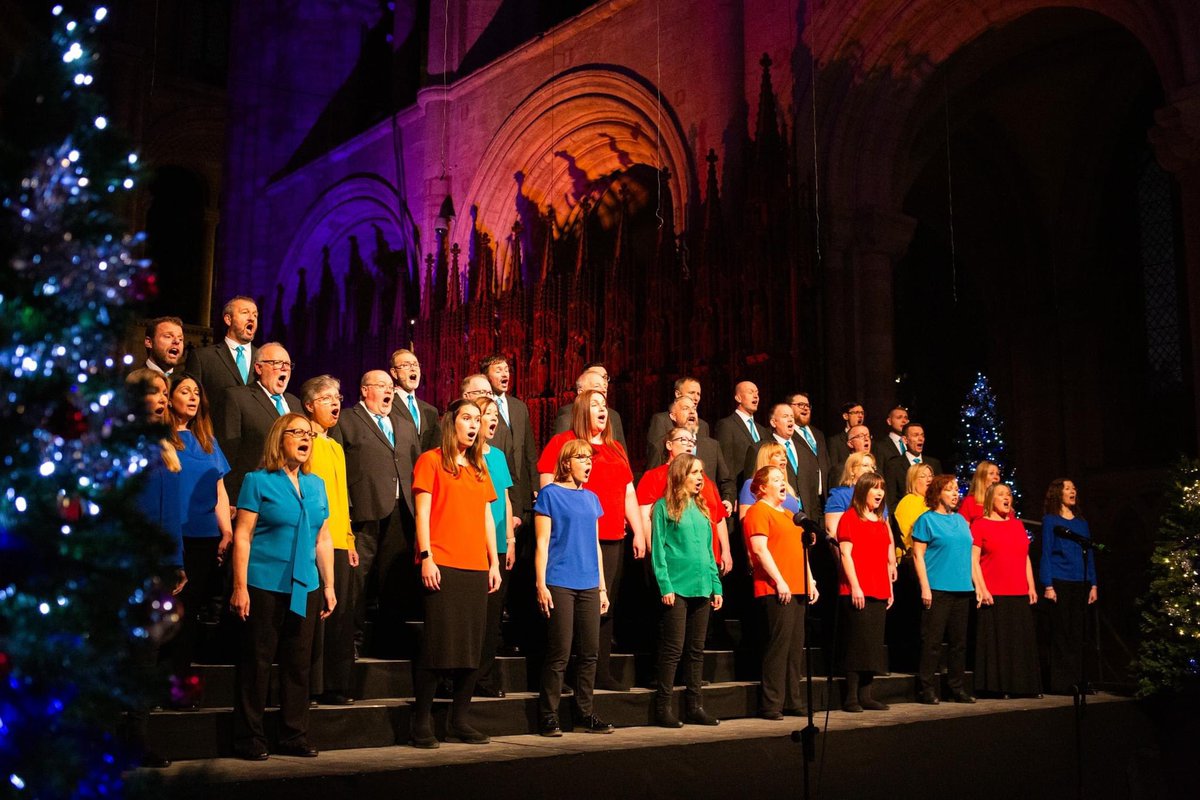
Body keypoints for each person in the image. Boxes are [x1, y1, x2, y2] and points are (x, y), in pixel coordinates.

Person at [230, 413, 336, 760]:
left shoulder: (316, 483)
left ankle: (293, 735)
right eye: (298, 433)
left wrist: (330, 584)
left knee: (298, 664)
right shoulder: (257, 481)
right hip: (264, 583)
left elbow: (323, 537)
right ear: (280, 438)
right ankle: (249, 738)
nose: (306, 439)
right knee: (257, 664)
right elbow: (243, 536)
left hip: (305, 585)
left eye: (310, 434)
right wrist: (239, 586)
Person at [410, 400, 502, 748]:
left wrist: (493, 563)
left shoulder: (479, 467)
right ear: (452, 423)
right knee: (439, 646)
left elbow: (485, 519)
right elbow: (422, 513)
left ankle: (459, 720)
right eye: (467, 418)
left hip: (475, 566)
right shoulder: (431, 460)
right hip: (442, 563)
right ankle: (421, 723)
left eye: (478, 419)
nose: (474, 424)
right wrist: (426, 556)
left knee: (471, 650)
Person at [537, 389, 643, 690]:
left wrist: (637, 529)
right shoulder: (564, 442)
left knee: (603, 603)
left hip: (610, 535)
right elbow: (548, 483)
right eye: (595, 405)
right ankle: (566, 673)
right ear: (582, 410)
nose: (603, 409)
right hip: (573, 538)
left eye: (605, 405)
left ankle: (600, 670)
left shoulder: (615, 448)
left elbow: (629, 492)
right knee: (569, 608)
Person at [533, 438, 614, 736]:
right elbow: (542, 543)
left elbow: (595, 544)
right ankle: (549, 715)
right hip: (560, 581)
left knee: (590, 651)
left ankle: (584, 713)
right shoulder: (550, 494)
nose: (588, 463)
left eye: (590, 458)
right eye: (582, 457)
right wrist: (541, 583)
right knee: (560, 652)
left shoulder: (592, 498)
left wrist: (603, 588)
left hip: (589, 582)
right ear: (567, 462)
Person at [125, 368, 185, 768]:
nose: (163, 398)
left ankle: (136, 739)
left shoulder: (167, 445)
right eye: (154, 392)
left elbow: (171, 515)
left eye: (166, 392)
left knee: (146, 656)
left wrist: (177, 561)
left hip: (160, 567)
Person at [337, 370, 420, 654]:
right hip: (363, 510)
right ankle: (352, 641)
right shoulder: (347, 420)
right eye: (381, 386)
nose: (388, 391)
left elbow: (415, 465)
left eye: (390, 387)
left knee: (393, 580)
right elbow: (338, 469)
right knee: (357, 580)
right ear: (364, 390)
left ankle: (389, 642)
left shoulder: (404, 424)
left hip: (400, 511)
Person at [164, 372, 232, 700]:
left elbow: (219, 489)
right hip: (170, 534)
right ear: (169, 397)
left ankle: (179, 685)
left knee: (189, 615)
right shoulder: (160, 441)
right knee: (165, 613)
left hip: (203, 536)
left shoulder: (208, 442)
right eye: (185, 391)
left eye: (196, 392)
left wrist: (227, 530)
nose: (192, 397)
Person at [650, 455, 724, 727]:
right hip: (677, 587)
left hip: (702, 586)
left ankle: (694, 706)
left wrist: (716, 585)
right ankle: (663, 708)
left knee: (696, 650)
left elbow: (708, 551)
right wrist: (665, 585)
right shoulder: (663, 507)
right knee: (673, 649)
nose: (700, 478)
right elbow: (658, 550)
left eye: (702, 473)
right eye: (694, 473)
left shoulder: (702, 509)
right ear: (681, 475)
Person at [743, 466, 819, 720]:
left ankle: (792, 700)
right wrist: (780, 581)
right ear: (763, 487)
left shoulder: (790, 515)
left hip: (798, 586)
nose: (782, 482)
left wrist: (811, 580)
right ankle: (772, 704)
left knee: (795, 648)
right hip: (776, 589)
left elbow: (801, 552)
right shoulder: (758, 511)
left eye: (782, 478)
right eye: (776, 479)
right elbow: (760, 550)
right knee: (779, 647)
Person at [301, 375, 357, 705]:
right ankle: (309, 686)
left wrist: (348, 539)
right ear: (309, 405)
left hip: (336, 539)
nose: (335, 403)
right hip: (312, 539)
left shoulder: (335, 446)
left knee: (338, 615)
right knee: (314, 616)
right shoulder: (305, 440)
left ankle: (335, 684)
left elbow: (341, 496)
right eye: (326, 398)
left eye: (337, 397)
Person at [971, 483, 1041, 698]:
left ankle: (1025, 686)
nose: (1006, 497)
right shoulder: (980, 525)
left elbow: (1025, 557)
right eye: (1001, 494)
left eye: (1009, 494)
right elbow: (973, 560)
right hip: (995, 591)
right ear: (991, 499)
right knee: (999, 643)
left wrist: (1031, 585)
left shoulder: (1017, 525)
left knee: (1020, 641)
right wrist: (981, 589)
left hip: (1019, 589)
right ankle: (1000, 687)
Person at [911, 474, 975, 704]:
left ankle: (956, 687)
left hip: (961, 588)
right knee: (933, 642)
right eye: (949, 489)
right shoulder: (926, 520)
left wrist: (975, 584)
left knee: (959, 643)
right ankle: (926, 689)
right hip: (937, 588)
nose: (955, 493)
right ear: (937, 494)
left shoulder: (960, 520)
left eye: (956, 489)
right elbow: (917, 555)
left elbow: (968, 554)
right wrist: (925, 587)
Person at [216, 342, 303, 510]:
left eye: (287, 364)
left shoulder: (295, 404)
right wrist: (230, 499)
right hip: (252, 498)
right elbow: (227, 452)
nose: (284, 368)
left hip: (291, 498)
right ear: (258, 368)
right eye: (277, 363)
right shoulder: (238, 398)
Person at [638, 427, 732, 575]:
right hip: (674, 561)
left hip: (709, 561)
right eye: (683, 440)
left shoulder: (705, 481)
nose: (689, 444)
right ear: (669, 445)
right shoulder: (654, 476)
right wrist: (654, 552)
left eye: (692, 441)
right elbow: (644, 517)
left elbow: (718, 517)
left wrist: (726, 551)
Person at [837, 472, 894, 712]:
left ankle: (866, 695)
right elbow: (845, 555)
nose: (880, 492)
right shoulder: (850, 518)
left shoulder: (881, 522)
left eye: (882, 488)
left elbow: (885, 560)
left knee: (872, 645)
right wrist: (856, 586)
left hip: (879, 589)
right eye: (875, 488)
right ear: (863, 491)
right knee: (857, 644)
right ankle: (851, 697)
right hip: (857, 589)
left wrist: (890, 589)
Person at [473, 395, 516, 698]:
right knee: (472, 615)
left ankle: (484, 677)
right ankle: (460, 676)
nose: (493, 419)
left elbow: (506, 498)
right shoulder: (466, 456)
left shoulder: (498, 456)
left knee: (492, 614)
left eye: (495, 414)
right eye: (486, 413)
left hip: (499, 542)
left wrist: (510, 541)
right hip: (473, 541)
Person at [1040, 478, 1099, 695]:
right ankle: (1062, 682)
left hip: (1081, 582)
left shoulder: (1081, 523)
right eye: (1067, 488)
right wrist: (1047, 584)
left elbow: (1089, 553)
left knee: (1079, 632)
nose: (1072, 491)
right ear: (1058, 493)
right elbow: (1046, 552)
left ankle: (1080, 679)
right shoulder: (1051, 521)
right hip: (1060, 580)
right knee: (1062, 632)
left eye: (1074, 488)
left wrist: (1093, 583)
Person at [481, 355, 538, 530]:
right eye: (498, 370)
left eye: (506, 370)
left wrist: (535, 485)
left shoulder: (519, 407)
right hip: (497, 487)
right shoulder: (481, 409)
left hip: (522, 489)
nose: (505, 373)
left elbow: (529, 449)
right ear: (486, 376)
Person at [184, 296, 258, 427]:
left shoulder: (263, 359)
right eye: (245, 312)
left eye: (255, 315)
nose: (252, 318)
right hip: (214, 438)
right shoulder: (203, 357)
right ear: (228, 319)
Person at [552, 367, 629, 451]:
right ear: (581, 392)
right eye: (597, 386)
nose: (603, 390)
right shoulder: (567, 421)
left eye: (605, 387)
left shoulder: (613, 417)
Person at [715, 380, 770, 487]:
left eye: (757, 393)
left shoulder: (762, 430)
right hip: (741, 489)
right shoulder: (727, 425)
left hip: (764, 489)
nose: (756, 396)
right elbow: (726, 464)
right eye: (751, 392)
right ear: (738, 398)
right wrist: (729, 494)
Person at [645, 377, 710, 465]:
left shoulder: (703, 426)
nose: (696, 398)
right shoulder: (661, 420)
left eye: (698, 394)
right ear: (678, 394)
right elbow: (655, 458)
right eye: (692, 393)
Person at [744, 403, 803, 500]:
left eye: (792, 416)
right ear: (773, 422)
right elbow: (751, 488)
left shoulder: (803, 449)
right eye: (785, 416)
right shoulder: (759, 449)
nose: (790, 419)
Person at [788, 391, 831, 519]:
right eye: (800, 405)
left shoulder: (818, 434)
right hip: (803, 498)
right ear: (789, 407)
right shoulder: (786, 434)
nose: (806, 408)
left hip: (822, 499)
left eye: (807, 405)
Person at [389, 348, 441, 452]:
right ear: (394, 373)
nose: (413, 369)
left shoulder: (431, 411)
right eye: (406, 365)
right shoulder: (387, 405)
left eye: (415, 365)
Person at [882, 422, 943, 509]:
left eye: (922, 435)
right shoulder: (893, 465)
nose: (920, 438)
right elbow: (891, 500)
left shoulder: (934, 464)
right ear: (905, 440)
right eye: (916, 435)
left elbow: (939, 493)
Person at [739, 443, 801, 519]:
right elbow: (745, 520)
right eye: (777, 455)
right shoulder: (751, 484)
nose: (784, 458)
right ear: (766, 460)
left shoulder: (787, 488)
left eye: (784, 455)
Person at [893, 463, 935, 561]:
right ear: (913, 480)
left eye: (930, 476)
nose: (929, 479)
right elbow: (907, 538)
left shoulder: (931, 502)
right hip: (914, 558)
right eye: (923, 476)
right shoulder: (909, 501)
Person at [827, 401, 865, 475]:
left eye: (862, 413)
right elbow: (834, 470)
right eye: (856, 412)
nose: (860, 416)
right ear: (845, 416)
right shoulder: (835, 441)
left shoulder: (868, 440)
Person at [959, 461, 1000, 525]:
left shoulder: (1002, 502)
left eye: (997, 474)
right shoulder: (970, 502)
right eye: (991, 473)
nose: (996, 477)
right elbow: (963, 530)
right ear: (981, 478)